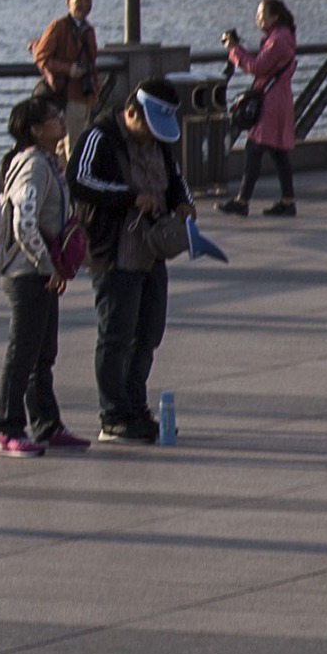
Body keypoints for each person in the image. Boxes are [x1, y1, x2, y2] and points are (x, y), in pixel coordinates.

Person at [72, 84, 192, 445]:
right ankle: (113, 415)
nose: (153, 138)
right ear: (131, 112)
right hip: (116, 252)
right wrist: (128, 198)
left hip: (151, 250)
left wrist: (183, 203)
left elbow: (176, 179)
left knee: (148, 334)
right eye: (148, 127)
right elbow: (79, 180)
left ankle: (136, 408)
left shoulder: (159, 142)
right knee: (116, 336)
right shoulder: (100, 137)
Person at [0, 94, 77, 457]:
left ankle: (46, 424)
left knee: (43, 353)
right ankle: (7, 429)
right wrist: (48, 265)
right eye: (55, 117)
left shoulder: (47, 161)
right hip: (28, 272)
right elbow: (25, 222)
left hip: (39, 270)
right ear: (37, 130)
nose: (62, 120)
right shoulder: (34, 167)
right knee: (22, 353)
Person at [217, 0, 300, 218]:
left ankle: (243, 201)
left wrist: (234, 50)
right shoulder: (283, 36)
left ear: (274, 17)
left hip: (271, 101)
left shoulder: (278, 40)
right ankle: (287, 201)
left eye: (261, 15)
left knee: (255, 148)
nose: (257, 19)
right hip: (279, 98)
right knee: (278, 151)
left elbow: (257, 67)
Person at [31, 0, 103, 142]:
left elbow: (92, 62)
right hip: (67, 97)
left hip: (85, 96)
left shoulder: (89, 30)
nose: (85, 5)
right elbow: (41, 57)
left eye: (88, 0)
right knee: (73, 145)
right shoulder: (59, 26)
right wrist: (69, 70)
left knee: (74, 145)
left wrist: (95, 90)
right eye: (80, 0)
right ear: (68, 2)